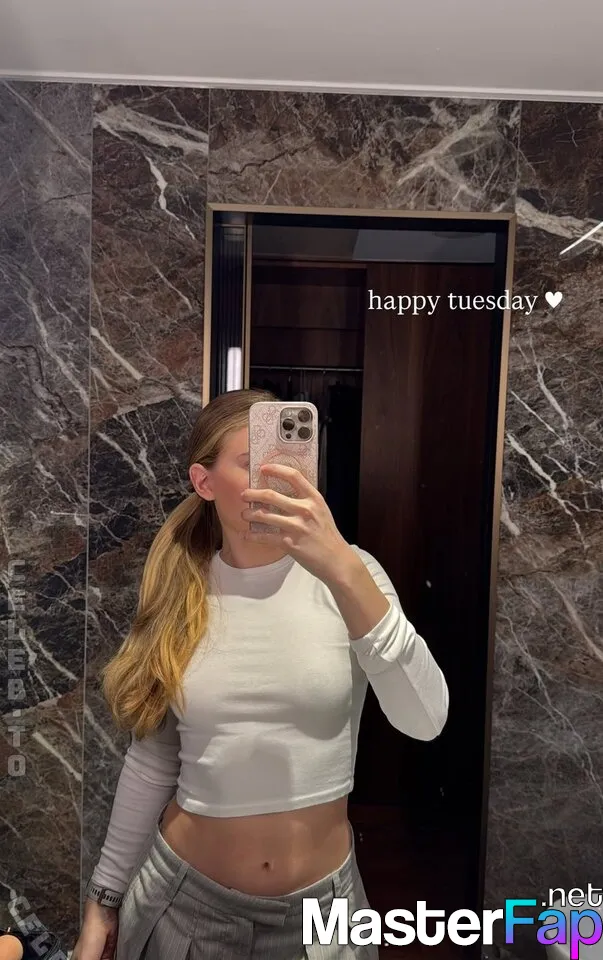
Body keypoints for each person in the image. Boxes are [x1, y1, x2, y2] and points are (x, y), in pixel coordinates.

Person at [72, 388, 449, 960]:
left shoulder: (353, 575)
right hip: (183, 907)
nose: (276, 478)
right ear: (204, 482)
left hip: (326, 918)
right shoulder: (180, 590)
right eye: (252, 463)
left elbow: (425, 719)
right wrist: (104, 900)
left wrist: (340, 566)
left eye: (288, 461)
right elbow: (152, 760)